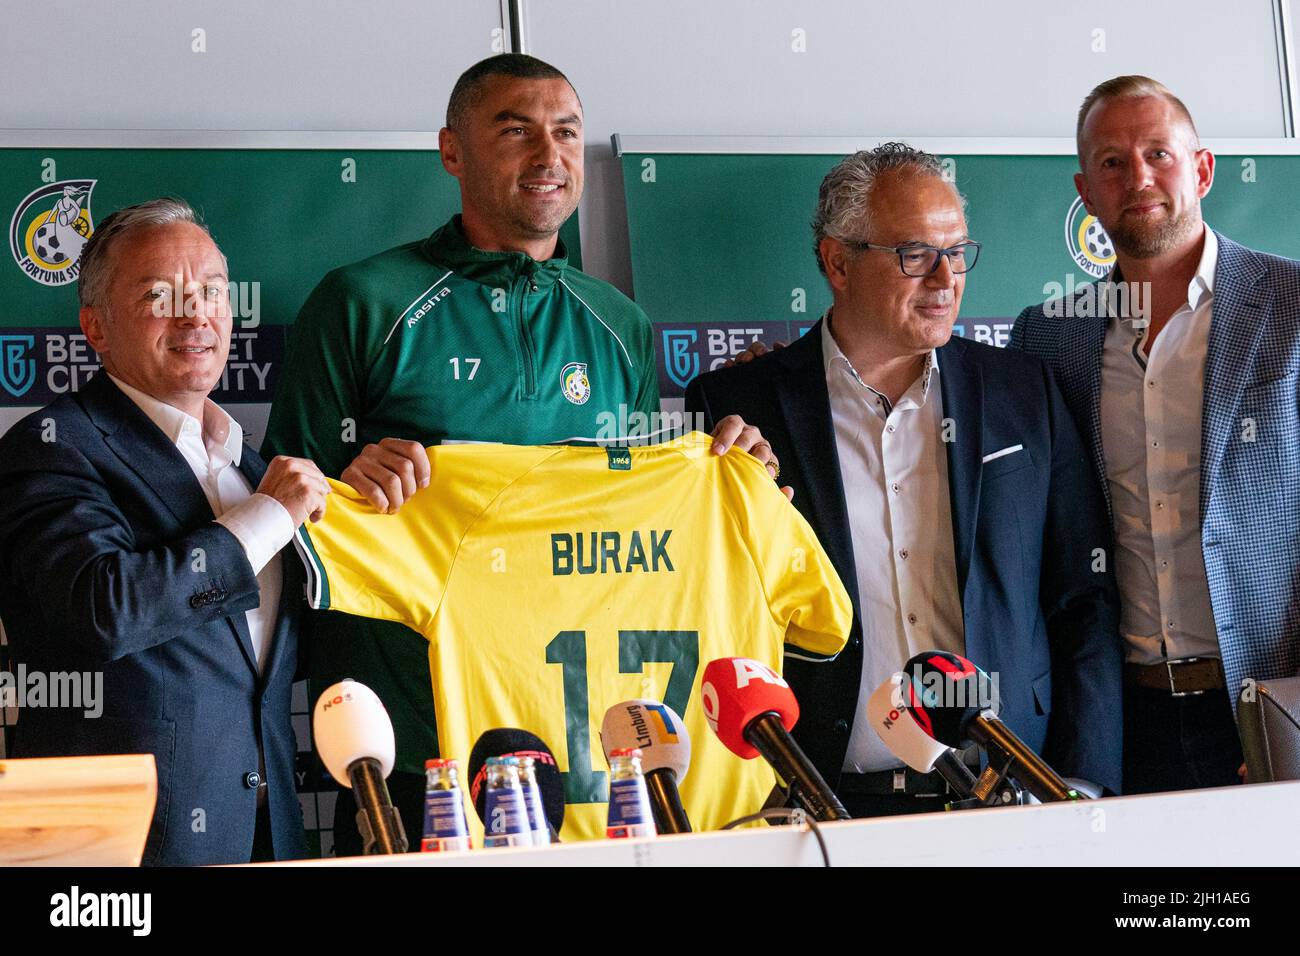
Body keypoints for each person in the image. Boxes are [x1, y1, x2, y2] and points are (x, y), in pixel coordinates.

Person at [263, 53, 781, 853]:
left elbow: (639, 525)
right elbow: (281, 515)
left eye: (567, 132)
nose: (550, 157)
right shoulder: (361, 301)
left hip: (588, 748)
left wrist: (730, 481)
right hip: (413, 741)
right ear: (452, 151)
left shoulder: (620, 323)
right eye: (517, 131)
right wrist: (341, 478)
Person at [686, 144, 1123, 815]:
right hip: (816, 800)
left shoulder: (1023, 390)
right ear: (837, 263)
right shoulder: (737, 408)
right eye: (916, 254)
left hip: (1007, 791)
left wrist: (1086, 779)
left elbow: (1082, 597)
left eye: (959, 251)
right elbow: (708, 613)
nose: (946, 278)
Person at [0, 198, 329, 864]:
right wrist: (266, 520)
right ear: (94, 328)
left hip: (270, 841)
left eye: (211, 290)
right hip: (125, 852)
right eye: (160, 294)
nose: (196, 314)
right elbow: (105, 608)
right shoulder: (52, 446)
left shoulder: (254, 468)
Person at [1012, 76, 1300, 794]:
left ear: (1200, 168)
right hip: (1117, 720)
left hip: (1269, 704)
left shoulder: (1293, 306)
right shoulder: (1048, 337)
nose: (1136, 177)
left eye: (1157, 153)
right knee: (1145, 908)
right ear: (1086, 189)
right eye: (1111, 162)